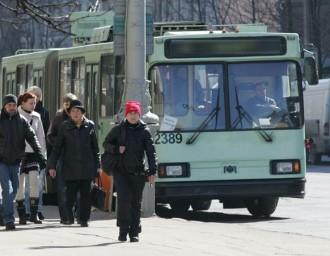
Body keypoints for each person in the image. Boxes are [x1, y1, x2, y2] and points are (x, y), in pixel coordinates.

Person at [103, 100, 157, 242]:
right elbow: (105, 144)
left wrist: (152, 172)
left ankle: (134, 232)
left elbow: (151, 152)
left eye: (135, 113)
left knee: (135, 203)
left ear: (139, 115)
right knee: (124, 201)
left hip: (138, 172)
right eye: (130, 113)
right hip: (121, 172)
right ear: (126, 114)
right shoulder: (118, 129)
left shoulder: (144, 131)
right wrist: (116, 149)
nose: (133, 116)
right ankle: (123, 231)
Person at [48, 100, 101, 227]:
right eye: (73, 111)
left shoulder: (90, 125)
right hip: (69, 166)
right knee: (69, 196)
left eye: (78, 111)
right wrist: (52, 165)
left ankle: (83, 219)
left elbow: (95, 148)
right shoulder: (64, 126)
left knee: (85, 196)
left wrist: (98, 166)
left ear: (83, 113)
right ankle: (69, 218)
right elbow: (57, 148)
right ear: (69, 113)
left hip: (86, 167)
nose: (75, 114)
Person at [0, 94, 46, 230]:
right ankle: (9, 220)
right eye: (9, 105)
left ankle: (2, 211)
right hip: (1, 161)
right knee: (7, 189)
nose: (12, 107)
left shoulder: (21, 121)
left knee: (14, 189)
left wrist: (41, 156)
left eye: (14, 105)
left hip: (16, 161)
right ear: (4, 106)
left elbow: (32, 138)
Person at [16, 93, 47, 224]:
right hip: (19, 154)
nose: (33, 105)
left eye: (35, 103)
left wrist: (43, 156)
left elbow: (41, 137)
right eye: (31, 103)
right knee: (20, 185)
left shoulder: (37, 116)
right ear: (22, 103)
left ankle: (33, 215)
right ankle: (23, 215)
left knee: (35, 183)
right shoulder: (15, 116)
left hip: (33, 153)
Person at [47, 93, 77, 224]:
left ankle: (73, 213)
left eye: (70, 104)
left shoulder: (80, 117)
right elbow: (50, 135)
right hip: (61, 156)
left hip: (76, 158)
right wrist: (59, 144)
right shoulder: (59, 117)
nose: (68, 107)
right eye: (66, 104)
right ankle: (64, 216)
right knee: (61, 187)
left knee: (75, 187)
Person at [25, 86, 50, 221]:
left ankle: (38, 210)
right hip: (24, 153)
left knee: (38, 184)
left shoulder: (43, 114)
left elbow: (44, 135)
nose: (35, 100)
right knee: (27, 185)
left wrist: (44, 154)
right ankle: (28, 210)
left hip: (38, 152)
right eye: (33, 97)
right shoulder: (21, 112)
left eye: (38, 98)